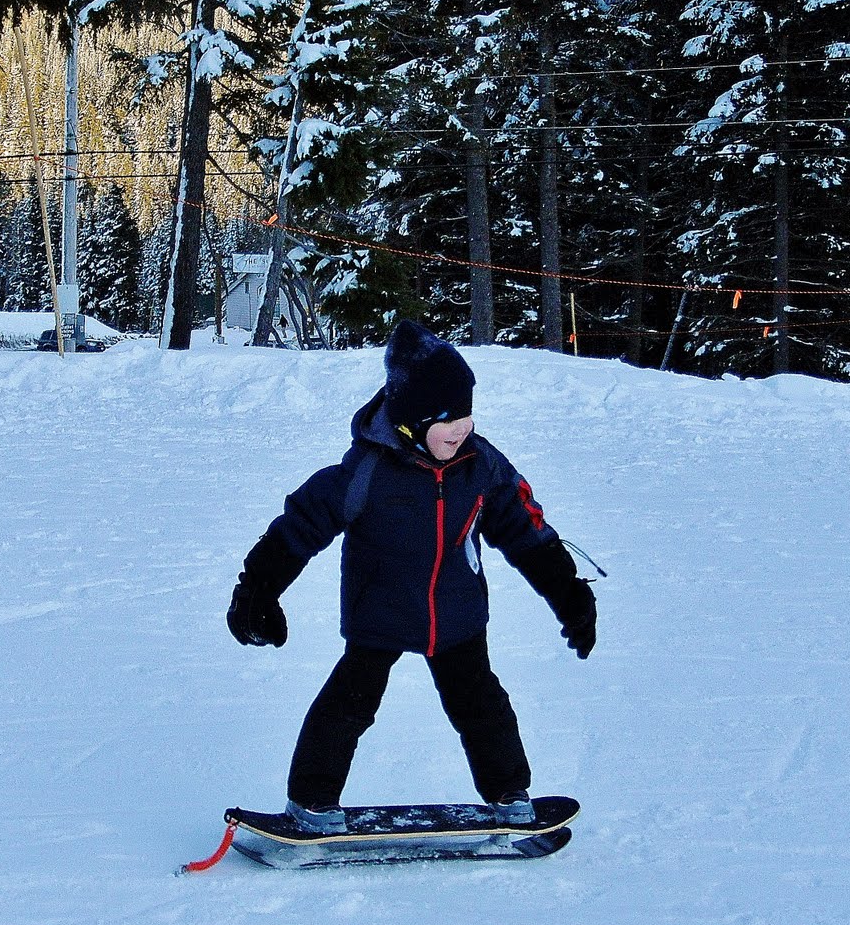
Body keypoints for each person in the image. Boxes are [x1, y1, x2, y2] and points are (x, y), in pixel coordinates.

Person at [226, 319, 598, 833]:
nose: (460, 428)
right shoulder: (366, 471)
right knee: (348, 706)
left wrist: (570, 593)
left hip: (457, 613)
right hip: (379, 610)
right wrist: (258, 589)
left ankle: (511, 798)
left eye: (466, 414)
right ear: (409, 421)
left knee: (482, 705)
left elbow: (526, 532)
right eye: (445, 418)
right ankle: (310, 804)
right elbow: (300, 524)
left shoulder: (482, 466)